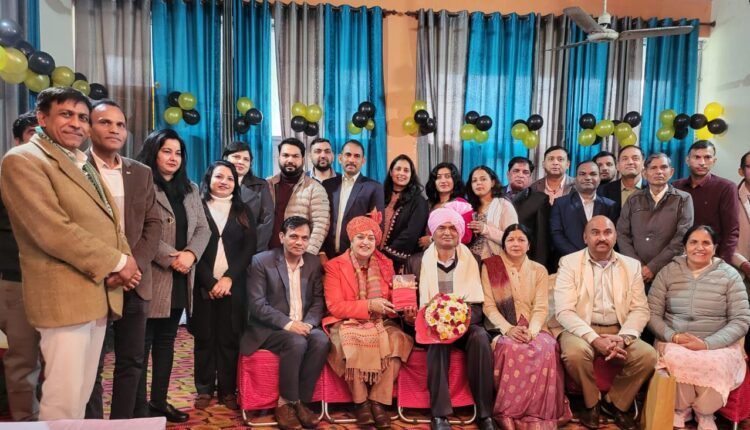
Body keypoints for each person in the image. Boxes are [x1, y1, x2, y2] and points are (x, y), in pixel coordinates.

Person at [0, 87, 137, 420]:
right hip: (63, 295)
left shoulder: (79, 161)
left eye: (82, 117)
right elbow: (52, 230)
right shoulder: (24, 160)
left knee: (80, 394)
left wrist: (125, 261)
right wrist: (118, 261)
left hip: (96, 291)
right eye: (66, 114)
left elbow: (109, 220)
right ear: (42, 118)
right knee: (63, 398)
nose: (76, 123)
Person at [85, 100, 162, 420]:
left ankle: (121, 423)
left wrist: (134, 266)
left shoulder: (140, 172)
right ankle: (91, 425)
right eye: (105, 122)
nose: (114, 129)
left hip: (135, 281)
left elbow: (153, 224)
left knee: (132, 361)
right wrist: (110, 268)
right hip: (93, 281)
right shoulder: (76, 169)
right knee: (90, 365)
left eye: (120, 124)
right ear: (89, 128)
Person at [551, 216, 656, 430]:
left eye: (607, 232)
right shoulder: (569, 263)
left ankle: (615, 402)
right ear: (585, 237)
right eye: (595, 232)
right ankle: (592, 403)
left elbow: (640, 309)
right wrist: (594, 339)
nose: (602, 237)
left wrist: (624, 338)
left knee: (648, 356)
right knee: (574, 354)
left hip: (619, 329)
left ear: (615, 237)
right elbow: (564, 311)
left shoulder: (631, 266)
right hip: (580, 328)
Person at [134, 128, 210, 422]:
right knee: (141, 345)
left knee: (166, 343)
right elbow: (138, 229)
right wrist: (172, 258)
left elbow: (203, 228)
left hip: (181, 277)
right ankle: (138, 406)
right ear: (153, 152)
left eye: (178, 153)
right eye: (166, 151)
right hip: (150, 275)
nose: (173, 158)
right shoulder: (142, 183)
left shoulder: (190, 188)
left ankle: (159, 401)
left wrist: (190, 255)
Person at [648, 225, 750, 430]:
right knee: (676, 358)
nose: (699, 248)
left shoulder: (730, 275)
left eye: (706, 243)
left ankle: (705, 413)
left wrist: (706, 344)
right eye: (693, 242)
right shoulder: (668, 272)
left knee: (716, 364)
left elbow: (740, 320)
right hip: (675, 339)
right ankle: (680, 409)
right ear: (685, 246)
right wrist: (674, 337)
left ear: (715, 247)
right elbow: (651, 313)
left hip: (717, 343)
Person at [405, 203, 495, 430]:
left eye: (453, 228)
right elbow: (406, 302)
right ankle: (439, 415)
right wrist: (410, 316)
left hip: (465, 323)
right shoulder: (415, 262)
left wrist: (456, 322)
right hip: (428, 324)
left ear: (460, 232)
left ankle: (485, 414)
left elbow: (478, 304)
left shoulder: (474, 260)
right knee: (436, 340)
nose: (447, 232)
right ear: (432, 232)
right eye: (442, 228)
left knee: (480, 337)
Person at [322, 213, 414, 429]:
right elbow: (335, 306)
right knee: (348, 341)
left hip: (380, 321)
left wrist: (405, 304)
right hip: (345, 321)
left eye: (371, 238)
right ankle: (361, 403)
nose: (366, 242)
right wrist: (369, 305)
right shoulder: (335, 265)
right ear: (351, 240)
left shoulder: (386, 264)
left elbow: (392, 301)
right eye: (360, 237)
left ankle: (378, 402)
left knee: (398, 340)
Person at [241, 216, 329, 430]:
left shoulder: (312, 262)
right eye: (294, 236)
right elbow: (257, 305)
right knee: (296, 342)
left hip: (304, 325)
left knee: (322, 341)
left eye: (305, 238)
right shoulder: (261, 261)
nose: (299, 242)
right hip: (269, 329)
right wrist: (289, 324)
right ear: (282, 237)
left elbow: (318, 301)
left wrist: (308, 324)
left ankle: (301, 402)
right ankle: (285, 403)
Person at [482, 224, 569, 429]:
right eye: (511, 239)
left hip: (534, 326)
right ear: (503, 244)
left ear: (529, 245)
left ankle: (539, 413)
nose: (516, 244)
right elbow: (488, 306)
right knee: (509, 347)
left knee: (546, 347)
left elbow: (540, 307)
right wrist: (508, 329)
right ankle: (508, 412)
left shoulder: (539, 270)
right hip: (502, 326)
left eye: (521, 240)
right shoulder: (491, 267)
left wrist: (532, 331)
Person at [191, 161, 257, 410]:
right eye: (219, 176)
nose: (224, 182)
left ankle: (228, 391)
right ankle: (204, 389)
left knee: (229, 339)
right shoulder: (197, 207)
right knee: (205, 338)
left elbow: (249, 248)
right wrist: (210, 282)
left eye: (230, 178)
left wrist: (229, 278)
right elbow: (192, 247)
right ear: (208, 179)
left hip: (234, 286)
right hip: (202, 285)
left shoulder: (243, 210)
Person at [0, 111, 40, 421]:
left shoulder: (66, 175)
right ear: (17, 140)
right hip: (16, 280)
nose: (39, 140)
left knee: (57, 361)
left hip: (59, 283)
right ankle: (27, 422)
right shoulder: (6, 176)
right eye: (31, 133)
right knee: (24, 360)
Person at [617, 153, 693, 288]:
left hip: (670, 271)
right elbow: (622, 234)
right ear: (645, 173)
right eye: (653, 168)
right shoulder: (634, 199)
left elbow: (682, 237)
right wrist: (638, 266)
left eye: (663, 167)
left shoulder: (683, 199)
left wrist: (653, 267)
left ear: (671, 172)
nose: (659, 172)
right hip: (636, 273)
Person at [673, 140, 739, 263]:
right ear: (687, 160)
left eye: (707, 157)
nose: (702, 162)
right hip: (679, 257)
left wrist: (722, 263)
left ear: (714, 161)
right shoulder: (675, 186)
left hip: (712, 258)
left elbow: (731, 231)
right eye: (697, 157)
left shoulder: (726, 187)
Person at [322, 139, 384, 258]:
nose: (351, 160)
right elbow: (320, 221)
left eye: (357, 156)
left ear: (363, 161)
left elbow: (377, 227)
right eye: (348, 155)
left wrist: (362, 255)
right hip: (327, 256)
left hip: (357, 257)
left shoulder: (373, 187)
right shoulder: (327, 185)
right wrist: (321, 252)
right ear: (340, 158)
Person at [267, 137, 330, 254]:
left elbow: (321, 226)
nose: (290, 160)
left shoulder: (315, 188)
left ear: (303, 159)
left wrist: (306, 256)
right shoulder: (267, 184)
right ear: (278, 157)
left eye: (295, 156)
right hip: (267, 254)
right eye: (285, 155)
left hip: (298, 256)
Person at [550, 161, 617, 257]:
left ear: (599, 178)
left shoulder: (610, 205)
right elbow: (556, 234)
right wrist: (579, 256)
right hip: (569, 260)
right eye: (582, 174)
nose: (588, 178)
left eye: (593, 174)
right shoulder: (560, 203)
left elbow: (613, 235)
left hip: (601, 260)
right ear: (575, 179)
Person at [380, 154, 429, 273]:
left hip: (400, 262)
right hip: (374, 258)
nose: (402, 173)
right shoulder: (380, 196)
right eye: (398, 169)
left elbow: (411, 233)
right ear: (391, 172)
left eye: (406, 170)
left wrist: (385, 253)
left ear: (411, 175)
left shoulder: (418, 201)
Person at [222, 141, 273, 251]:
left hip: (251, 250)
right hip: (219, 249)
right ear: (225, 158)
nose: (241, 162)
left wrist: (251, 249)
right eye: (236, 157)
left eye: (246, 159)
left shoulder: (260, 185)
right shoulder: (213, 183)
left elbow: (266, 220)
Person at [465, 165, 518, 260]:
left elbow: (513, 238)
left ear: (492, 182)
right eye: (474, 181)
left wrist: (485, 229)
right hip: (468, 260)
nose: (478, 183)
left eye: (483, 179)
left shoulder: (503, 205)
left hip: (493, 261)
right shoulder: (468, 207)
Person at [508, 157, 552, 270]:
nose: (520, 175)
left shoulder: (540, 200)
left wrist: (538, 268)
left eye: (525, 172)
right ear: (508, 174)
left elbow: (541, 239)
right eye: (516, 171)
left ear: (530, 177)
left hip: (524, 261)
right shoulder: (496, 194)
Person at [419, 162, 473, 249]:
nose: (443, 181)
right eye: (439, 177)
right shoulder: (428, 204)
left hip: (451, 253)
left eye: (447, 176)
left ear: (454, 180)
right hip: (426, 252)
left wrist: (432, 239)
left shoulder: (461, 205)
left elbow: (466, 237)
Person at [599, 145, 646, 219]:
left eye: (635, 158)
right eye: (625, 159)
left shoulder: (653, 189)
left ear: (643, 164)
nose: (630, 162)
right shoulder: (603, 191)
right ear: (617, 165)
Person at [732, 150, 750, 282]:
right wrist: (744, 264)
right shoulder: (729, 198)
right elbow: (723, 239)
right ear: (741, 171)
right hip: (740, 271)